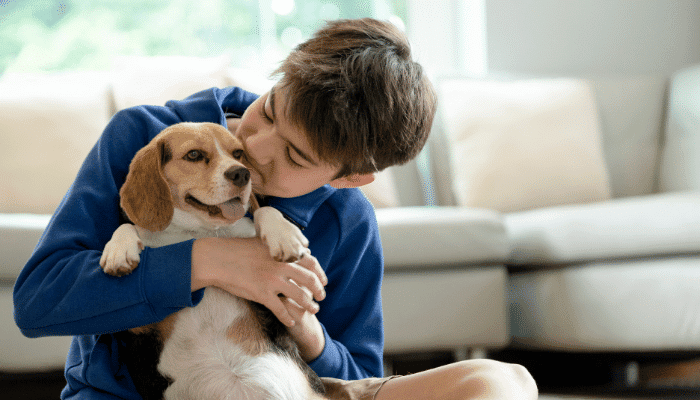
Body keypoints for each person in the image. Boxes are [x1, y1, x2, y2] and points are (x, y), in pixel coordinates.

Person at [13, 18, 537, 400]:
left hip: (290, 388)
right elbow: (37, 301)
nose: (255, 152)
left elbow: (358, 375)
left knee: (503, 382)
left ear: (349, 177)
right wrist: (210, 261)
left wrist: (307, 329)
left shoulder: (348, 219)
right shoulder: (144, 137)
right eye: (267, 112)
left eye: (294, 155)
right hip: (148, 393)